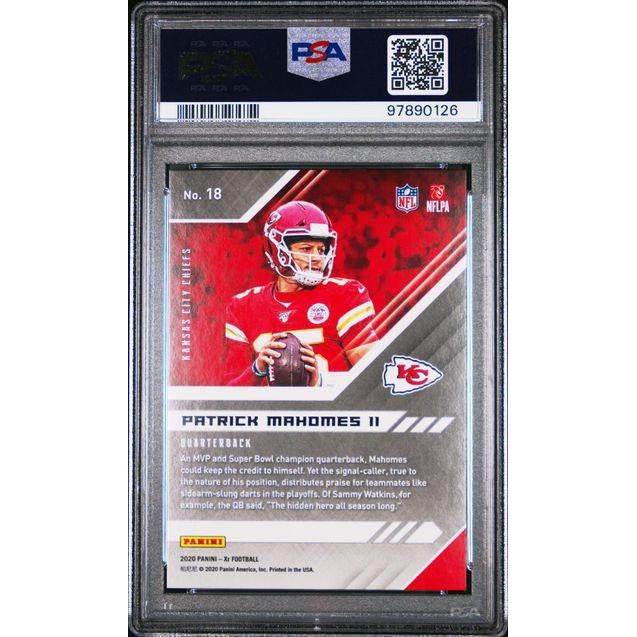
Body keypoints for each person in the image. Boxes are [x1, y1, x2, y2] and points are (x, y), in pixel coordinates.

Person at [224, 201, 378, 386]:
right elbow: (230, 392)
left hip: (332, 404)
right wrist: (256, 369)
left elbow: (375, 378)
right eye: (306, 249)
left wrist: (319, 382)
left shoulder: (345, 295)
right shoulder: (242, 306)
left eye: (321, 250)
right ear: (278, 251)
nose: (318, 258)